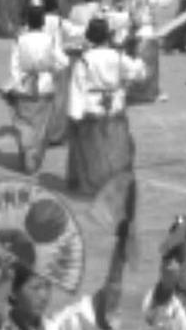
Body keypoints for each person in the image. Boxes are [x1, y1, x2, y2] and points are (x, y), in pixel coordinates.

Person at [62, 18, 145, 198]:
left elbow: (77, 88)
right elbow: (137, 73)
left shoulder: (84, 60)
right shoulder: (117, 56)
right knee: (115, 144)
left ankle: (95, 181)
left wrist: (74, 114)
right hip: (114, 104)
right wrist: (136, 57)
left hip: (91, 106)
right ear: (107, 35)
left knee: (92, 147)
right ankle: (114, 179)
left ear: (90, 37)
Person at [0, 3, 70, 176]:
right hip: (44, 85)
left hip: (23, 86)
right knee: (41, 125)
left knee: (24, 121)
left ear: (27, 21)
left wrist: (13, 84)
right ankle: (34, 157)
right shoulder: (49, 39)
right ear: (42, 22)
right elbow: (63, 62)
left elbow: (14, 66)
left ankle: (27, 153)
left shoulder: (19, 39)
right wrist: (51, 70)